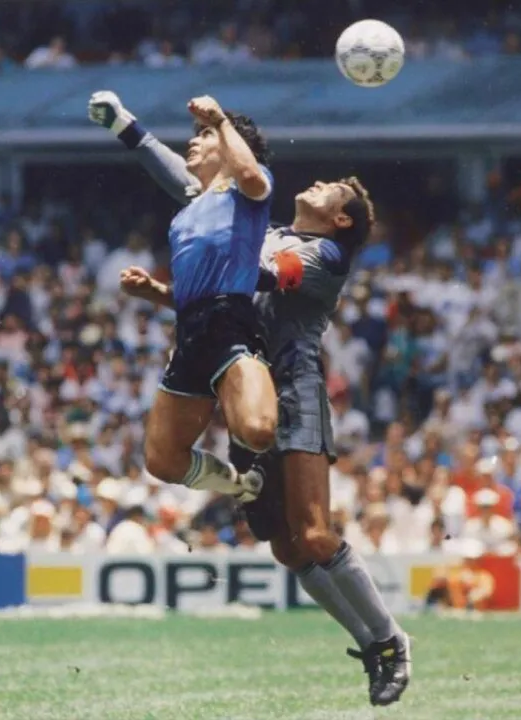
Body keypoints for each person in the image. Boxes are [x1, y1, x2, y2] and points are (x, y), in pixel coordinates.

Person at [88, 91, 411, 707]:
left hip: (293, 384)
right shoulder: (270, 228)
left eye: (330, 189)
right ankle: (369, 644)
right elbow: (213, 251)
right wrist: (165, 291)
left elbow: (260, 274)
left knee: (315, 534)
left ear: (342, 218)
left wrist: (218, 185)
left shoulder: (325, 254)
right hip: (245, 368)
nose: (316, 183)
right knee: (288, 547)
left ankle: (390, 638)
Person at [87, 91, 277, 505]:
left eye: (204, 135)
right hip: (190, 330)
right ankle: (240, 486)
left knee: (258, 431)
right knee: (162, 461)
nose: (193, 140)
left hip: (232, 324)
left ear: (228, 145)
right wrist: (155, 292)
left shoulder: (249, 189)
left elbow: (246, 173)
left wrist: (222, 120)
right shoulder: (189, 210)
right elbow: (162, 163)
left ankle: (278, 437)